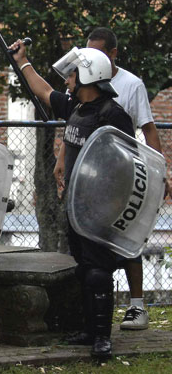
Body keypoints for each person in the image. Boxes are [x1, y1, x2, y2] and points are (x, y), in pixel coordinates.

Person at [11, 39, 134, 359]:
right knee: (83, 268)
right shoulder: (76, 107)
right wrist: (23, 61)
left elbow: (127, 164)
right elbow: (42, 91)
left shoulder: (113, 114)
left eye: (73, 74)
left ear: (89, 77)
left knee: (98, 271)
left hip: (101, 208)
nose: (67, 79)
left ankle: (102, 339)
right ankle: (89, 330)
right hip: (77, 205)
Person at [53, 27, 168, 330]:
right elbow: (73, 126)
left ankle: (137, 306)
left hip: (120, 177)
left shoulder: (130, 87)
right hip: (86, 187)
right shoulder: (81, 94)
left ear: (113, 54)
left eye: (100, 52)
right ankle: (91, 324)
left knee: (126, 241)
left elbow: (148, 129)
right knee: (89, 260)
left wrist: (159, 173)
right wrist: (62, 159)